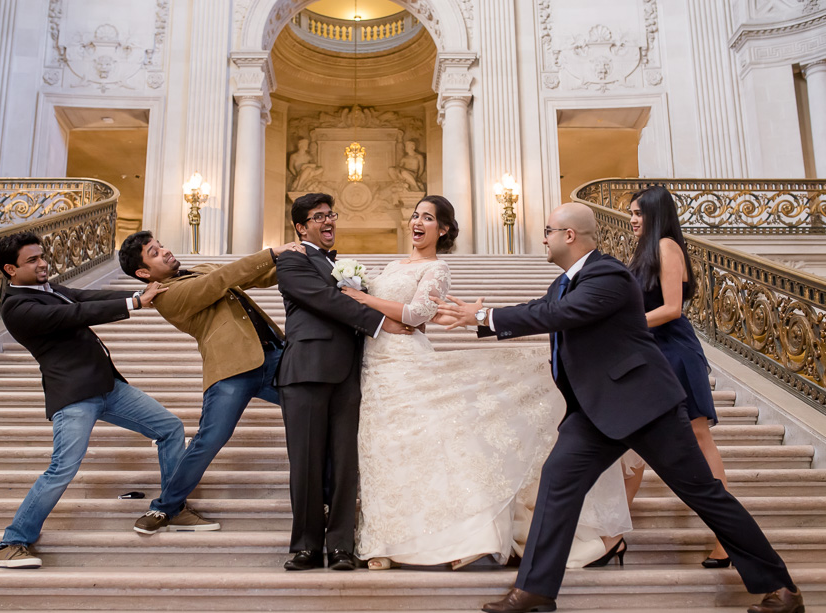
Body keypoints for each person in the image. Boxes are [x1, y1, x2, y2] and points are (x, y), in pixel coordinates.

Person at [434, 203, 803, 613]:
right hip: (595, 411)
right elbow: (542, 309)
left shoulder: (607, 274)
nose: (543, 238)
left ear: (569, 236)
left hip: (646, 406)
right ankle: (535, 592)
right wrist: (482, 318)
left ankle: (782, 589)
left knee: (704, 495)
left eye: (547, 231)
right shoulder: (565, 282)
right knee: (558, 480)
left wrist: (484, 314)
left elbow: (561, 315)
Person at [340, 195, 630, 571]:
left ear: (442, 229)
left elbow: (415, 314)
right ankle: (384, 538)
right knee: (379, 449)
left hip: (405, 363)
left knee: (419, 445)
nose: (418, 222)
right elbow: (394, 314)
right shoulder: (391, 265)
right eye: (415, 215)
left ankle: (460, 536)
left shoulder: (437, 269)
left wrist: (364, 299)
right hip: (374, 365)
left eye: (428, 218)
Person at [0, 231, 185, 569]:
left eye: (41, 256)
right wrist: (135, 303)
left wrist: (139, 293)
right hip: (74, 395)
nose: (42, 263)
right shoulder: (17, 306)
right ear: (11, 269)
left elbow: (86, 295)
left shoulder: (47, 289)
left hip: (106, 386)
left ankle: (171, 507)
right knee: (62, 468)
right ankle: (13, 542)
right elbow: (76, 314)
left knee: (170, 428)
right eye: (32, 260)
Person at [117, 232, 304, 534]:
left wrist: (300, 261)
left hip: (274, 359)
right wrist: (272, 252)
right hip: (231, 370)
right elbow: (220, 281)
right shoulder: (168, 296)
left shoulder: (201, 268)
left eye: (161, 245)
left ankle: (323, 496)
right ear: (143, 273)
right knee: (209, 439)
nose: (165, 251)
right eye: (154, 253)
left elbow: (257, 276)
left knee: (317, 411)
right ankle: (166, 508)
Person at [275, 192, 411, 571]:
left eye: (330, 214)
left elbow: (351, 297)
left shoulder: (343, 264)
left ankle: (340, 546)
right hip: (306, 371)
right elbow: (324, 298)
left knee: (345, 463)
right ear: (301, 227)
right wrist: (381, 322)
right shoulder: (290, 260)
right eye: (318, 217)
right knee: (306, 462)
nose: (328, 221)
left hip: (349, 373)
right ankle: (305, 545)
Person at [625, 185, 733, 567]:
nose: (633, 219)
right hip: (653, 352)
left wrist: (624, 325)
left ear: (656, 214)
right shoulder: (644, 251)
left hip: (674, 350)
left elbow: (672, 308)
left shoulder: (667, 246)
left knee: (699, 436)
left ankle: (729, 538)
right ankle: (610, 535)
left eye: (639, 213)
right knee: (633, 442)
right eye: (632, 212)